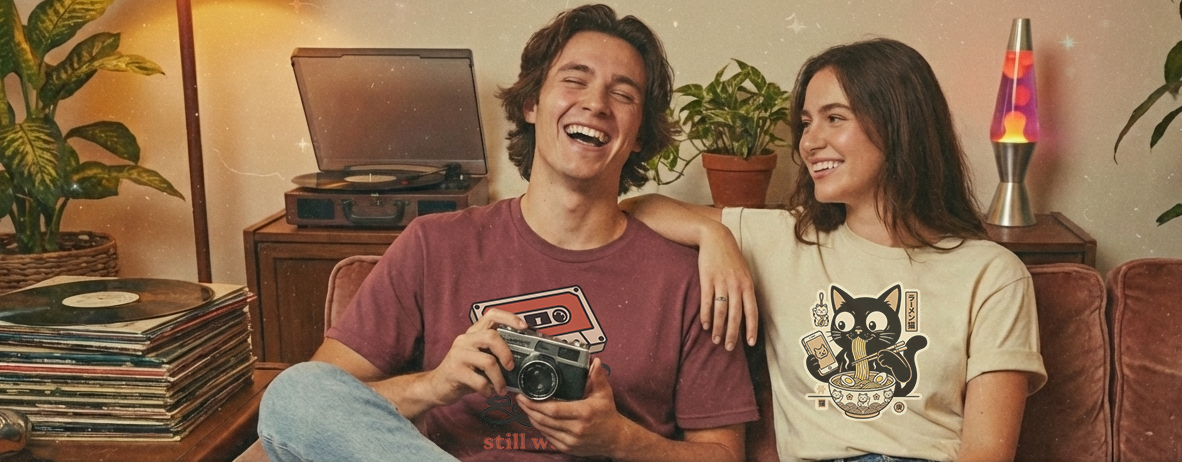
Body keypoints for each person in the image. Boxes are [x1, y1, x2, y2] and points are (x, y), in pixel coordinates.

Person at [256, 5, 758, 462]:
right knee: (295, 391)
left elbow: (724, 456)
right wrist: (436, 385)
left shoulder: (691, 276)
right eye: (574, 80)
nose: (596, 103)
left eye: (622, 94)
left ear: (641, 133)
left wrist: (621, 441)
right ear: (531, 104)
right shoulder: (434, 244)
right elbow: (320, 403)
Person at [621, 38, 1046, 462]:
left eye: (834, 118)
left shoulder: (992, 273)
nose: (808, 143)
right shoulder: (786, 238)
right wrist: (715, 236)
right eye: (807, 123)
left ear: (898, 124)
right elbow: (637, 207)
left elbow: (987, 452)